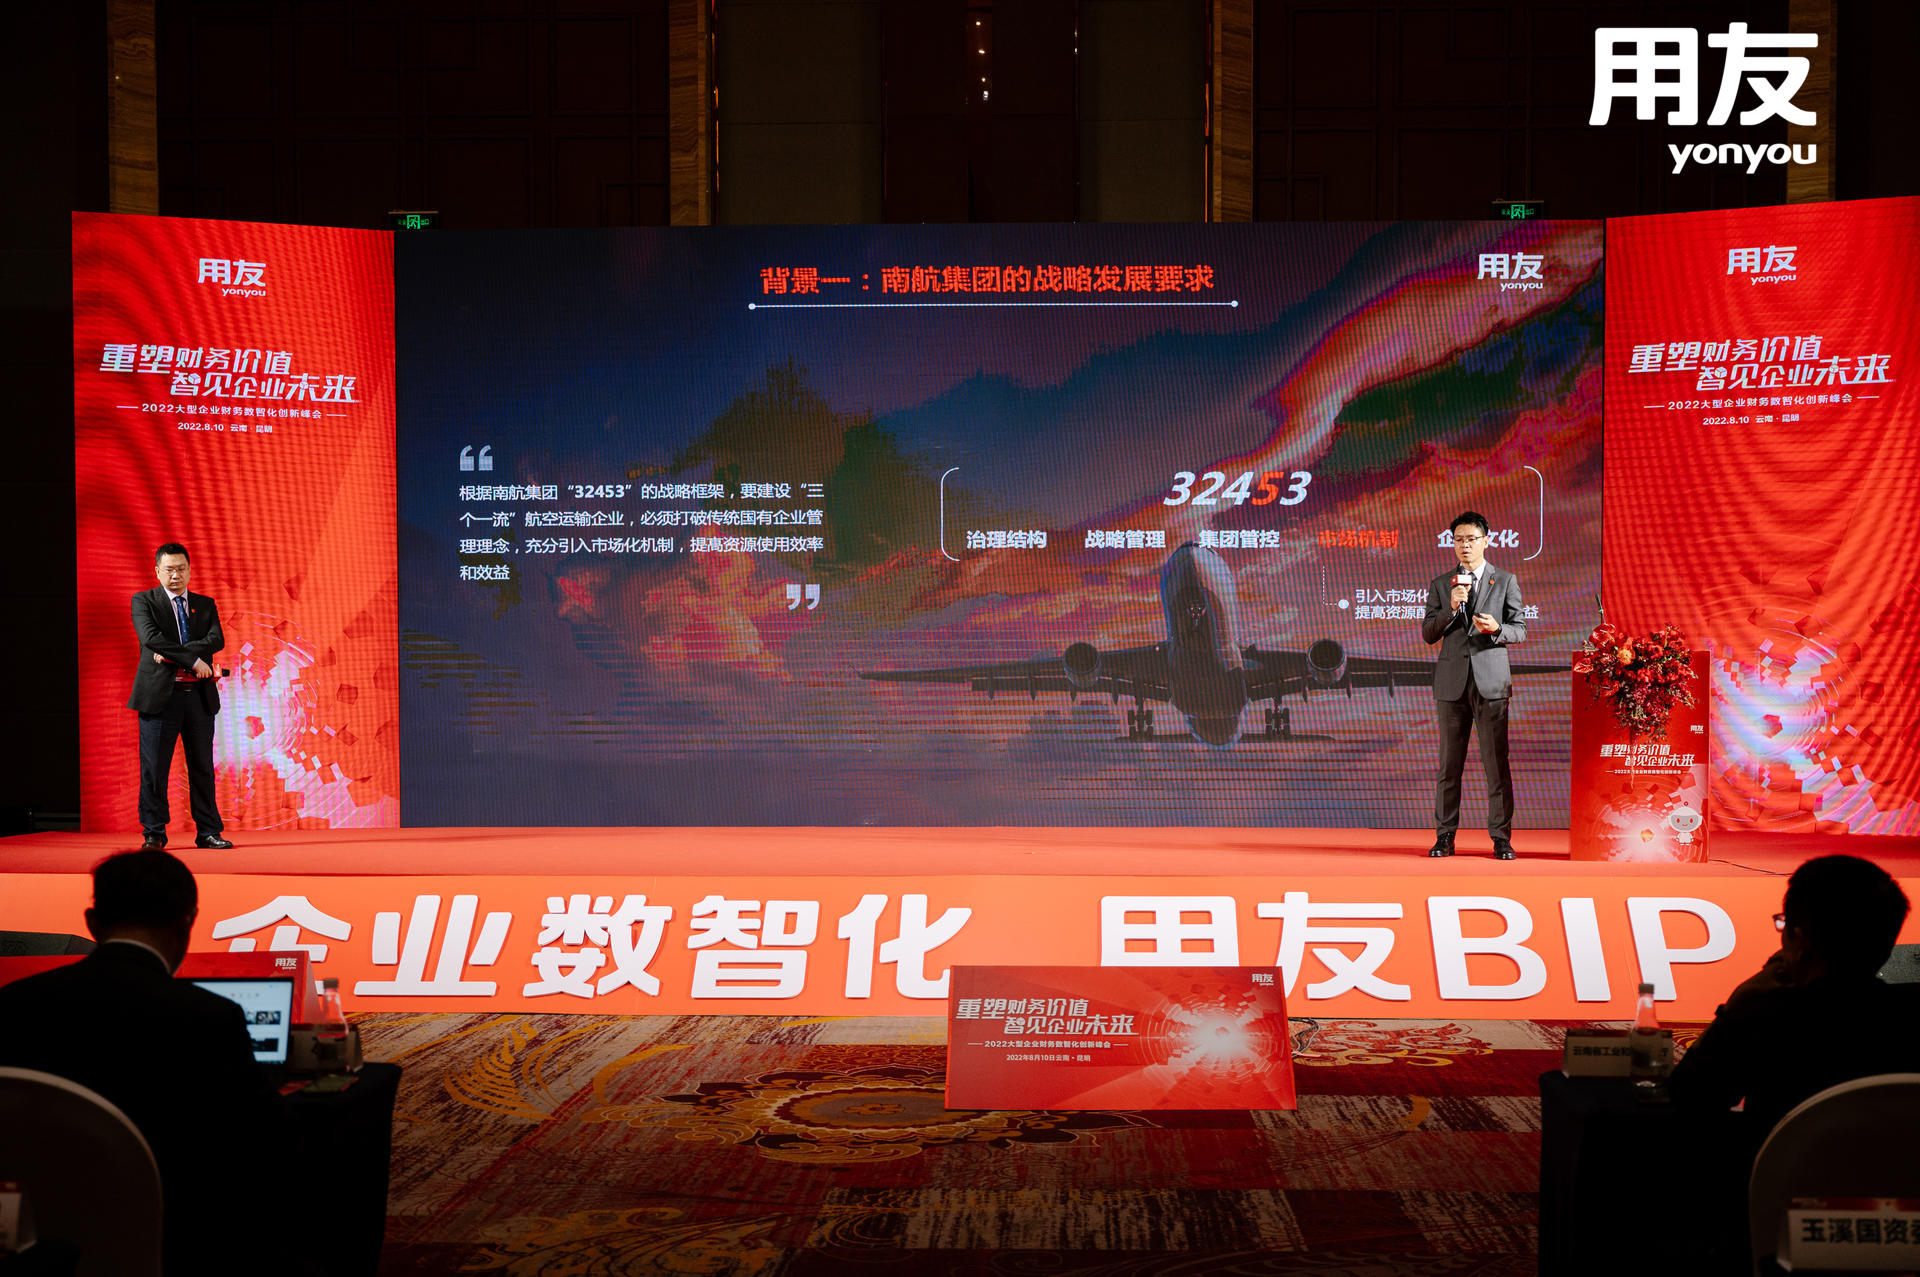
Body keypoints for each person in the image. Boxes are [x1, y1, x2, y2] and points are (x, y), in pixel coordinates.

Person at [0, 850, 285, 1275]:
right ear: (187, 921)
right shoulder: (209, 1017)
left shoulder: (13, 1004)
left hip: (31, 1238)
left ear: (92, 923)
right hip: (176, 1239)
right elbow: (260, 1141)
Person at [1671, 853, 1920, 1134]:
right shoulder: (1909, 1019)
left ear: (1800, 941)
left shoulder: (1763, 1018)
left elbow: (1687, 1097)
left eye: (1784, 923)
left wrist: (1739, 1003)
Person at [1420, 510, 1526, 860]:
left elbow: (1520, 630)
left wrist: (1497, 629)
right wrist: (1451, 609)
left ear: (1485, 541)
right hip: (1452, 685)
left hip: (1491, 685)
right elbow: (1428, 633)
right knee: (1449, 766)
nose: (1464, 545)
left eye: (1471, 539)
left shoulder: (1505, 580)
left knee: (1496, 765)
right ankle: (1445, 836)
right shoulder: (1442, 584)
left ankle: (1501, 838)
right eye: (1458, 540)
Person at [130, 543, 232, 850]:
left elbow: (216, 639)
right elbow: (150, 638)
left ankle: (209, 831)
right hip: (160, 698)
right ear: (157, 571)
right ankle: (154, 833)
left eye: (181, 569)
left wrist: (175, 655)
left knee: (202, 767)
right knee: (154, 769)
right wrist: (195, 660)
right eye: (169, 570)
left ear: (189, 570)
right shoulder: (144, 601)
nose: (176, 575)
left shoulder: (204, 603)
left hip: (198, 698)